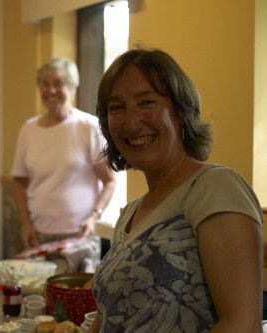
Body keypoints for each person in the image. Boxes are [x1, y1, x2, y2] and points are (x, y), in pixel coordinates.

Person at [88, 48, 263, 332]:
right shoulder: (130, 213)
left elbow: (242, 325)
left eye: (146, 102)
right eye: (116, 107)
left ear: (181, 112)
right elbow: (109, 318)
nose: (132, 122)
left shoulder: (215, 188)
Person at [11, 57, 117, 249]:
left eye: (58, 83)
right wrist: (25, 223)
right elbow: (19, 182)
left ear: (72, 87)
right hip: (38, 234)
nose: (50, 90)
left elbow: (109, 181)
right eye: (45, 84)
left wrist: (94, 217)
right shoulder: (29, 129)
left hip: (80, 237)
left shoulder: (89, 126)